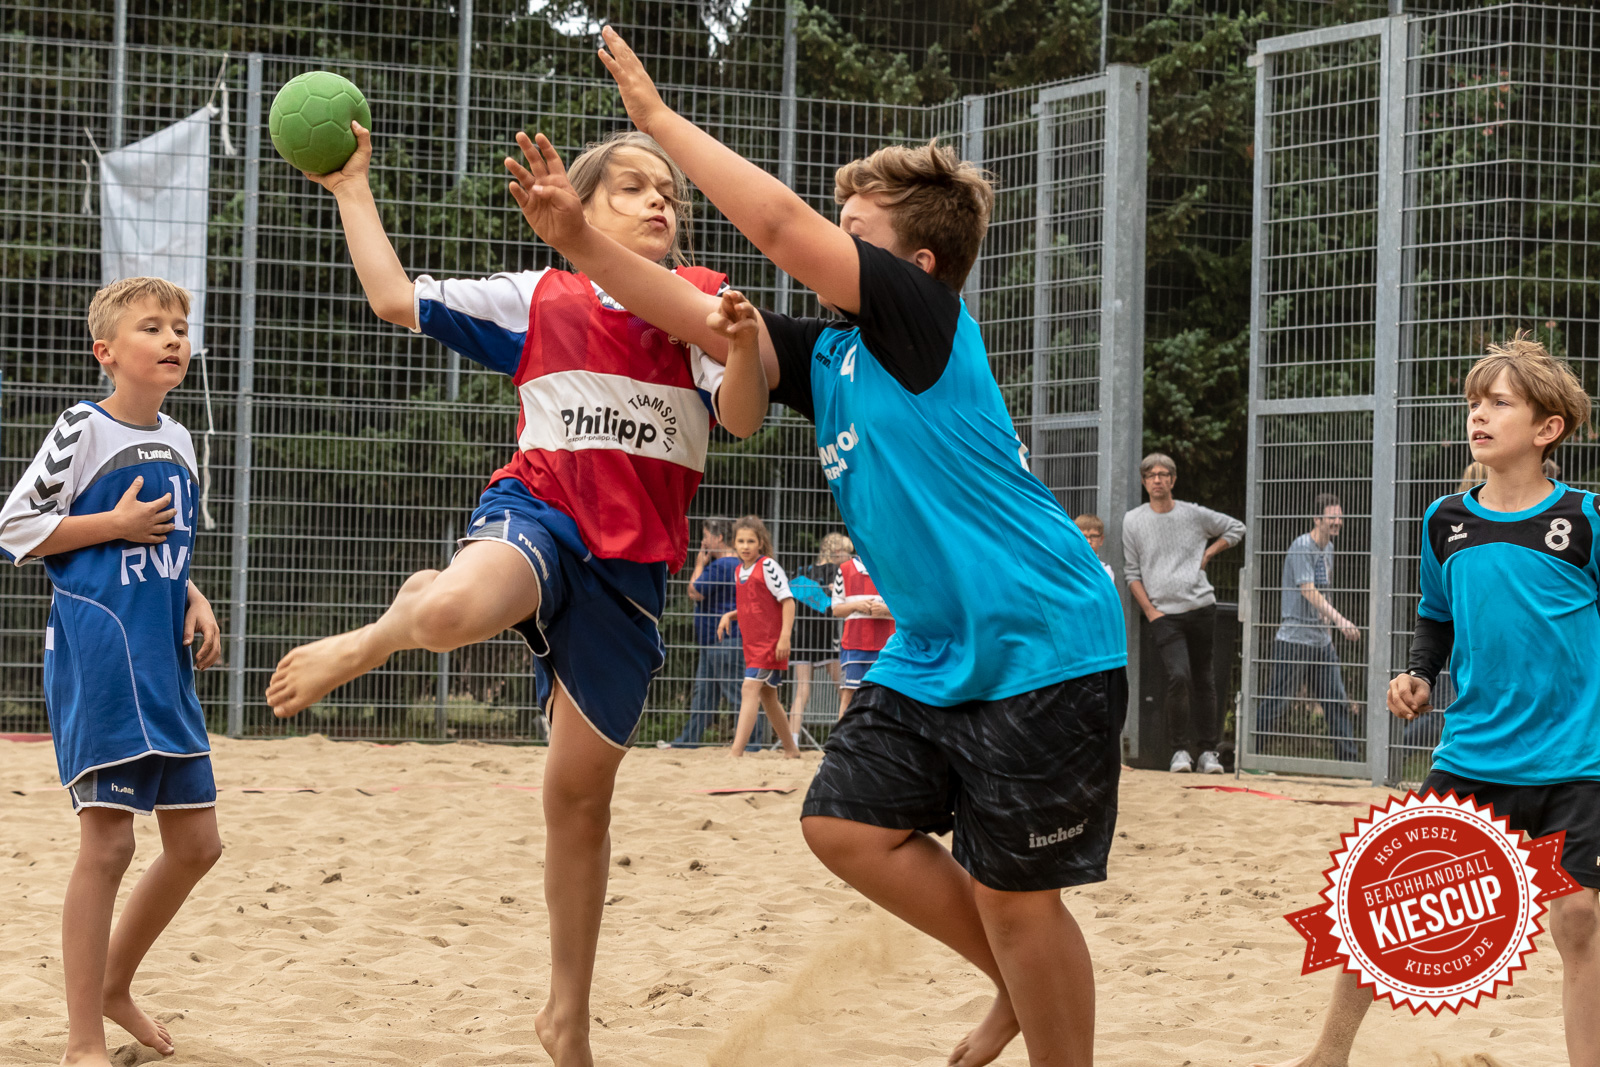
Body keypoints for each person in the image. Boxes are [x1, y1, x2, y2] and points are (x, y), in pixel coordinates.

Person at [503, 28, 1128, 1065]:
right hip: (936, 651)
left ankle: (1034, 988)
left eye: (857, 229)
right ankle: (1020, 977)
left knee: (1023, 905)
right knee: (843, 824)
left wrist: (656, 121)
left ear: (912, 264)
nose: (833, 237)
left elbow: (781, 225)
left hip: (1043, 637)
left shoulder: (922, 319)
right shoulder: (830, 353)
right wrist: (579, 242)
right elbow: (694, 316)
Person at [262, 124, 737, 1067]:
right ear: (580, 203)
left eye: (670, 196)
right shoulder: (538, 297)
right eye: (633, 187)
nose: (657, 202)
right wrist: (352, 187)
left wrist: (744, 348)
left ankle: (568, 1014)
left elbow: (744, 411)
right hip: (541, 511)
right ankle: (383, 631)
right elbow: (395, 298)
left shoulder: (704, 306)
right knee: (445, 616)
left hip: (633, 570)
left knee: (578, 801)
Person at [1261, 334, 1600, 1067]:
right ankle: (1328, 1054)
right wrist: (1417, 674)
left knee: (1578, 918)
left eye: (1499, 402)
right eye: (1475, 401)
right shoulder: (1446, 520)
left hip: (1577, 758)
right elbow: (1437, 616)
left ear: (1548, 430)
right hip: (1475, 749)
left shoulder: (1586, 521)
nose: (1479, 414)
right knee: (1385, 902)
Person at [0, 277, 224, 1067]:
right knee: (108, 846)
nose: (172, 338)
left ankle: (114, 984)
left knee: (198, 843)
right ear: (107, 352)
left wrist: (193, 594)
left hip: (163, 659)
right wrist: (114, 521)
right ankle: (82, 1039)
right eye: (151, 326)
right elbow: (15, 528)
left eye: (180, 327)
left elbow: (162, 546)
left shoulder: (184, 437)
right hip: (100, 661)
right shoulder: (80, 429)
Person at [1122, 452, 1244, 774]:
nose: (1157, 480)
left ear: (1173, 480)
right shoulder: (1133, 520)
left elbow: (1235, 528)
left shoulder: (1193, 514)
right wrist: (1151, 612)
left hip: (1201, 607)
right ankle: (1179, 751)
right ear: (1144, 482)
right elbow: (1131, 574)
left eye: (1163, 474)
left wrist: (1209, 552)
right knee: (1179, 676)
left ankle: (1207, 752)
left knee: (1205, 679)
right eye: (1151, 475)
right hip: (1164, 614)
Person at [1253, 493, 1361, 762]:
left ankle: (1350, 764)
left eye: (1339, 516)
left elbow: (1325, 593)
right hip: (1294, 640)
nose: (1337, 521)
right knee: (1277, 701)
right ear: (1317, 519)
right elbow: (1308, 590)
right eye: (1331, 516)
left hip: (1321, 642)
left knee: (1336, 701)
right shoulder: (1302, 547)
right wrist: (1340, 620)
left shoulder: (1329, 550)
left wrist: (1329, 633)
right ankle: (1250, 754)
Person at [716, 512, 803, 758]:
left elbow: (787, 601)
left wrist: (784, 637)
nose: (745, 546)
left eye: (751, 541)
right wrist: (730, 616)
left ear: (761, 543)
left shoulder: (767, 566)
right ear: (734, 543)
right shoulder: (739, 571)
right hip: (752, 644)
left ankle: (735, 753)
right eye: (741, 541)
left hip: (770, 643)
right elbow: (755, 604)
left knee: (749, 688)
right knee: (769, 697)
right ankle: (791, 750)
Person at [660, 517, 743, 748]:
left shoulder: (721, 566)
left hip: (723, 640)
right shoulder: (735, 565)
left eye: (706, 536)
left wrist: (698, 564)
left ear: (719, 538)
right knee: (704, 695)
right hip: (716, 641)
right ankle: (688, 741)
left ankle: (752, 742)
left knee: (735, 694)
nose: (703, 541)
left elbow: (695, 591)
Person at [788, 531, 849, 738]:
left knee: (802, 691)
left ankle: (793, 739)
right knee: (844, 689)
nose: (849, 558)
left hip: (802, 637)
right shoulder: (837, 571)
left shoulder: (804, 571)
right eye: (847, 553)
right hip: (825, 637)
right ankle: (845, 736)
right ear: (837, 552)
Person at [831, 551, 895, 718]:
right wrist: (857, 605)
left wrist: (885, 610)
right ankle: (841, 743)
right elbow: (837, 609)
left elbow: (907, 608)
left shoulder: (892, 568)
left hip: (887, 645)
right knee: (850, 694)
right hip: (854, 644)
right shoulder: (845, 569)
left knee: (887, 696)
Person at [1074, 514, 1117, 584]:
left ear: (1101, 539)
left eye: (1093, 536)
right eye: (1083, 536)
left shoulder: (1106, 570)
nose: (1089, 541)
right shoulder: (1068, 566)